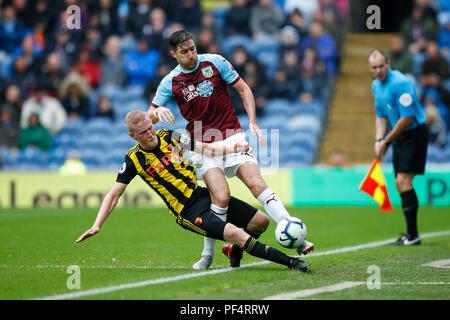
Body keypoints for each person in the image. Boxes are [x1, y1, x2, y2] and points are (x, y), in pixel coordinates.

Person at [147, 30, 314, 270]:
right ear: (174, 54)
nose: (191, 55)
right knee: (221, 197)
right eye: (184, 52)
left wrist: (253, 122)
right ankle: (207, 255)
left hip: (232, 135)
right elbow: (146, 117)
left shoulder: (215, 62)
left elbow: (244, 89)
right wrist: (156, 113)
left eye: (193, 48)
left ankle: (295, 235)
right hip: (202, 146)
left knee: (257, 183)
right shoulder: (170, 81)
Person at [75, 110, 308, 273]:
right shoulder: (133, 159)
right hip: (186, 211)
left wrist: (233, 147)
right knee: (237, 233)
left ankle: (235, 254)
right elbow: (114, 194)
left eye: (150, 127)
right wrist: (97, 224)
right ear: (132, 136)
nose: (150, 133)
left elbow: (206, 148)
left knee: (261, 222)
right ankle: (290, 262)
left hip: (203, 195)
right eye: (144, 132)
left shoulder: (171, 136)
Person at [369, 50, 428, 246]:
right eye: (374, 68)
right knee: (399, 182)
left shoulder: (401, 83)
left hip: (414, 133)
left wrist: (386, 140)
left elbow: (407, 118)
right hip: (398, 136)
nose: (378, 70)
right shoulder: (376, 85)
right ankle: (412, 234)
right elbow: (381, 115)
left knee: (403, 180)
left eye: (381, 66)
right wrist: (379, 139)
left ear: (388, 63)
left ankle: (413, 235)